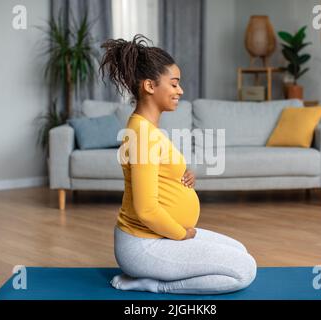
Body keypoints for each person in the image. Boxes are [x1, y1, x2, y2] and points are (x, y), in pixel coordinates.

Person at [99, 34, 257, 294]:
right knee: (244, 270)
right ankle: (156, 285)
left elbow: (158, 174)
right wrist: (182, 235)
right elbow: (146, 209)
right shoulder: (142, 134)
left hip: (160, 237)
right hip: (145, 246)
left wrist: (182, 178)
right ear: (150, 86)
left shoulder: (146, 128)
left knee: (239, 251)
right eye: (174, 84)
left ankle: (154, 274)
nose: (180, 91)